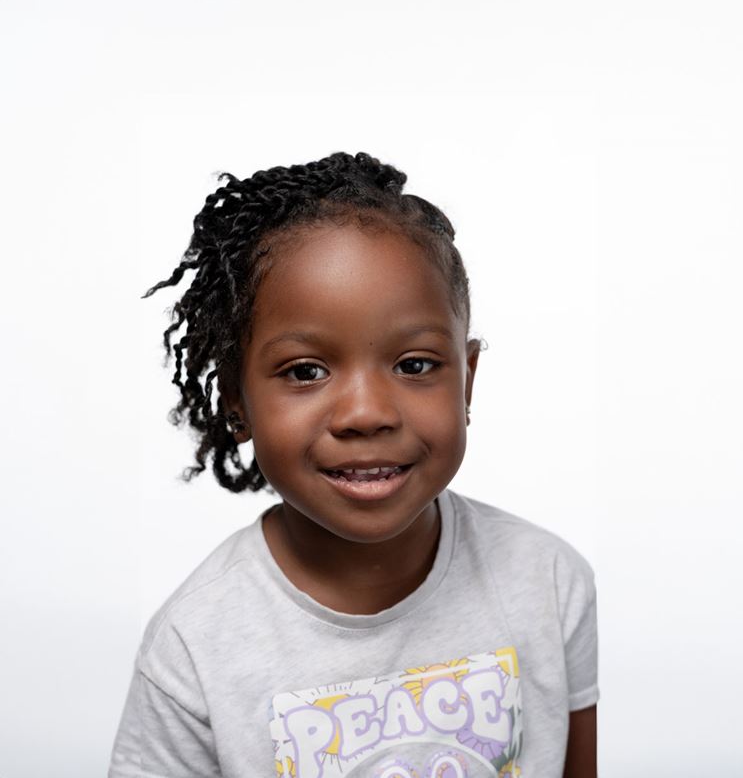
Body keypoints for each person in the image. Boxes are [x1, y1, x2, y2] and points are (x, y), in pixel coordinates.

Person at [109, 152, 598, 778]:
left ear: (467, 382)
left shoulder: (551, 583)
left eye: (415, 364)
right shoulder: (195, 645)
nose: (366, 414)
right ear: (238, 402)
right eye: (305, 372)